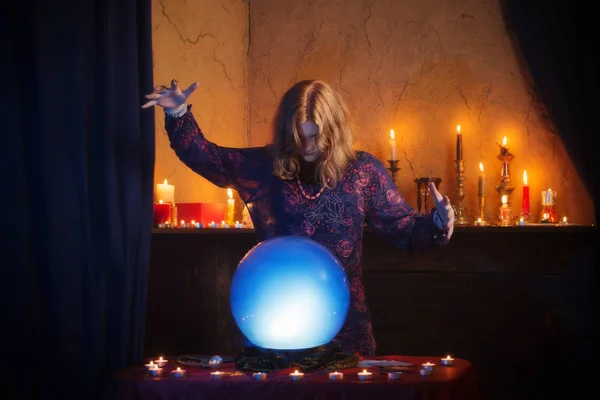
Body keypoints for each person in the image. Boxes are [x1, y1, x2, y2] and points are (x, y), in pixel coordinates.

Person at [142, 79, 455, 357]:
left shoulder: (362, 171)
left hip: (344, 327)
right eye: (299, 136)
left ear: (334, 130)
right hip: (275, 322)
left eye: (315, 136)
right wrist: (178, 113)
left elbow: (404, 227)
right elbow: (208, 157)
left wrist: (439, 222)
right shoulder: (265, 167)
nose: (308, 146)